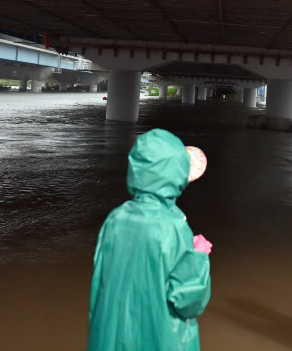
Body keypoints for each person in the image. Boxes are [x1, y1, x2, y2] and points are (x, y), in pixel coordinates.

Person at [88, 129, 212, 351]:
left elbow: (100, 281)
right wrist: (199, 256)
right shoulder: (173, 226)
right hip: (159, 338)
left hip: (110, 338)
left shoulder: (115, 218)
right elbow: (189, 301)